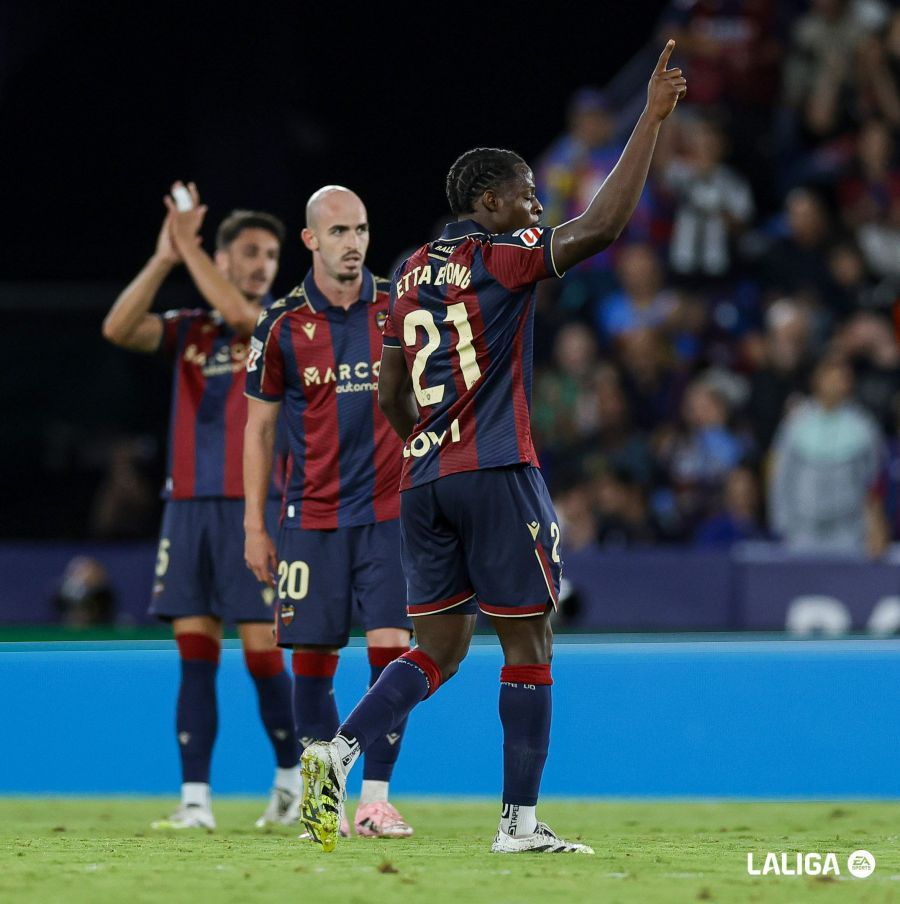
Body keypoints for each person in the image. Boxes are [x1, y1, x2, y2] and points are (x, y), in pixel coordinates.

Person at [297, 42, 686, 854]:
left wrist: (430, 447)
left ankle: (332, 753)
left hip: (426, 480)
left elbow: (395, 387)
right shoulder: (499, 259)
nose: (537, 206)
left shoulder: (406, 272)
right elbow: (605, 225)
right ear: (485, 199)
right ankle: (518, 825)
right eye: (526, 194)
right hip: (498, 467)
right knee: (530, 641)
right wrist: (648, 119)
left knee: (436, 648)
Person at [102, 184, 298, 830]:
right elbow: (117, 326)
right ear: (222, 257)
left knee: (263, 651)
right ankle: (195, 803)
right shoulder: (189, 328)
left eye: (270, 254)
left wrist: (188, 249)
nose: (262, 264)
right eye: (249, 252)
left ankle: (292, 781)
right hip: (186, 508)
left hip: (256, 506)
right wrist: (165, 257)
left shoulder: (279, 321)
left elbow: (243, 319)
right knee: (195, 655)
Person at [243, 186, 415, 839]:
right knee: (311, 663)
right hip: (310, 519)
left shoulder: (397, 310)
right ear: (311, 240)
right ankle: (323, 800)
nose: (354, 243)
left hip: (390, 513)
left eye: (362, 230)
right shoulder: (282, 325)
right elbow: (258, 431)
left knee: (392, 652)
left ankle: (375, 798)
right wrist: (254, 524)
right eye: (339, 231)